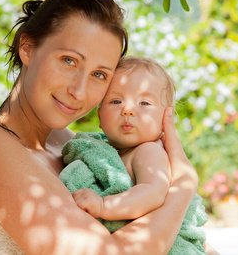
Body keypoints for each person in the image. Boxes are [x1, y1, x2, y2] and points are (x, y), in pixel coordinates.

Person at [0, 0, 198, 255]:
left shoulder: (74, 146)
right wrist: (182, 188)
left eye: (99, 75)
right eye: (69, 61)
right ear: (28, 48)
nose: (78, 90)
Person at [63, 57, 208, 255]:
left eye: (144, 103)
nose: (128, 110)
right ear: (99, 116)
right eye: (116, 101)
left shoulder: (149, 151)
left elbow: (153, 192)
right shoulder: (105, 150)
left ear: (165, 118)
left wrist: (104, 205)